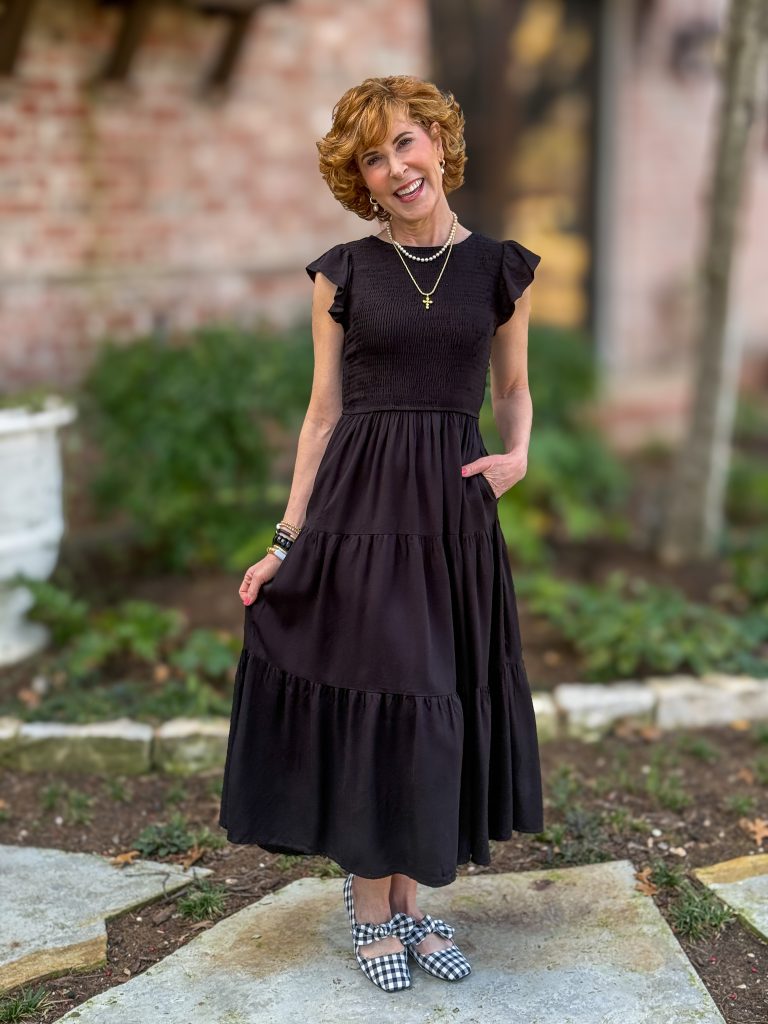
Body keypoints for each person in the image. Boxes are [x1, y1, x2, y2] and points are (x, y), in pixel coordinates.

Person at [218, 74, 545, 993]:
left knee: (435, 693)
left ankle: (408, 901)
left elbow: (512, 390)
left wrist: (518, 455)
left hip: (451, 518)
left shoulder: (502, 269)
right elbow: (321, 416)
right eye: (373, 156)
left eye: (408, 142)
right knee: (384, 688)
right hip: (362, 516)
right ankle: (369, 908)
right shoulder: (345, 271)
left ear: (440, 142)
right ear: (359, 178)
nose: (397, 167)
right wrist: (285, 542)